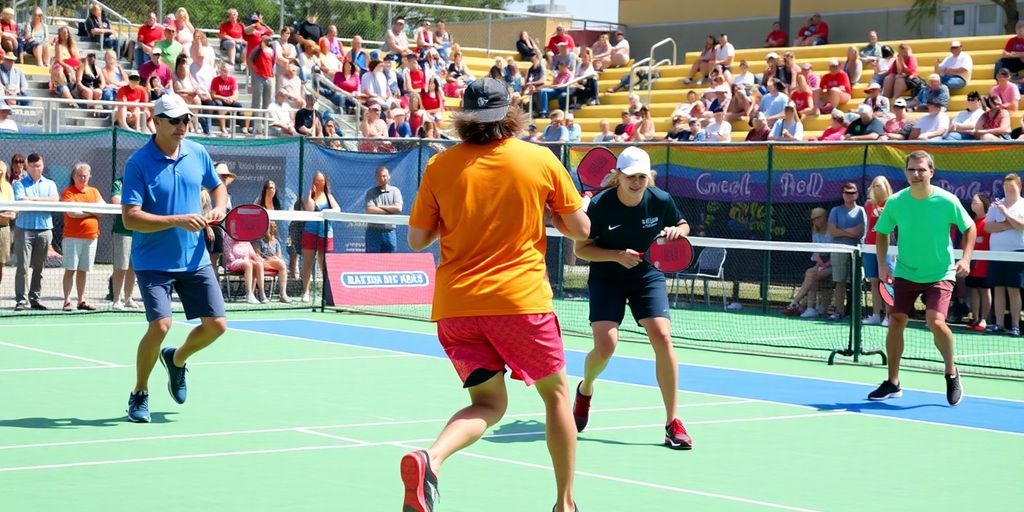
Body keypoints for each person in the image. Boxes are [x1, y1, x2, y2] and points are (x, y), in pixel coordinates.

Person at [403, 78, 589, 512]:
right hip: (519, 303)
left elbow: (416, 239)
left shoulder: (440, 167)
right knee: (557, 396)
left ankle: (431, 459)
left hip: (456, 308)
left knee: (488, 403)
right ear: (512, 112)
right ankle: (565, 503)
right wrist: (567, 210)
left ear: (464, 119)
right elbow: (581, 230)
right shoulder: (540, 160)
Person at [572, 145, 693, 451]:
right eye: (630, 176)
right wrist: (615, 256)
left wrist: (677, 231)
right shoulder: (600, 205)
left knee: (663, 337)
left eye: (641, 176)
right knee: (606, 346)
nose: (636, 182)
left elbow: (682, 223)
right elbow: (580, 249)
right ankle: (585, 390)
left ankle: (672, 422)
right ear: (618, 176)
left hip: (646, 274)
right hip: (607, 275)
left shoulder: (660, 200)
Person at [119, 94, 229, 423]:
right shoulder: (138, 163)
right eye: (175, 120)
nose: (183, 126)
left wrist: (219, 205)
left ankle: (177, 359)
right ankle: (140, 392)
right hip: (153, 262)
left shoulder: (198, 152)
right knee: (161, 325)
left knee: (217, 326)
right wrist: (178, 219)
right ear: (156, 122)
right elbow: (130, 218)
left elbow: (217, 186)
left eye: (186, 120)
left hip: (194, 259)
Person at [870, 150, 974, 406]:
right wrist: (883, 264)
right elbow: (882, 232)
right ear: (905, 172)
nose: (915, 174)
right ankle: (893, 383)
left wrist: (966, 259)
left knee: (935, 321)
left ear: (931, 172)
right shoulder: (895, 202)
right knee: (895, 322)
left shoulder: (946, 200)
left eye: (921, 169)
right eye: (911, 170)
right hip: (906, 271)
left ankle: (951, 372)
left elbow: (969, 227)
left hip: (940, 272)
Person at [12, 153, 58, 311]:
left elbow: (54, 200)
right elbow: (21, 201)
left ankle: (35, 299)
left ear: (43, 165)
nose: (36, 169)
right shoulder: (19, 184)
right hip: (24, 230)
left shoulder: (50, 184)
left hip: (45, 230)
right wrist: (29, 200)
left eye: (38, 166)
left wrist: (35, 200)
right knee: (23, 267)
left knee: (39, 267)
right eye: (32, 166)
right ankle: (21, 300)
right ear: (27, 167)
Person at [60, 162, 105, 312]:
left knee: (83, 270)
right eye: (80, 176)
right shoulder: (68, 192)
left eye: (86, 176)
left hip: (91, 237)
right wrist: (92, 211)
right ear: (74, 176)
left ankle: (81, 300)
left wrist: (86, 211)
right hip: (72, 237)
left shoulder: (94, 192)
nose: (83, 178)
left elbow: (102, 209)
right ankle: (67, 301)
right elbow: (72, 213)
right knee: (70, 269)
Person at [984, 173, 1024, 336]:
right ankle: (999, 324)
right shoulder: (995, 206)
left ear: (1019, 187)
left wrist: (1006, 214)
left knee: (1013, 290)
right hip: (996, 254)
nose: (1008, 190)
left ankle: (1015, 326)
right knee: (998, 289)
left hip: (1016, 254)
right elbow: (988, 227)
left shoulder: (1022, 205)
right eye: (1005, 188)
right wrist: (1010, 223)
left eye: (1012, 188)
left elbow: (1022, 226)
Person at [782, 207, 832, 317]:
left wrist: (825, 265)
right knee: (811, 273)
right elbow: (816, 253)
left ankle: (795, 302)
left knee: (811, 274)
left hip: (833, 266)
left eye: (818, 218)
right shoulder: (815, 234)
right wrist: (820, 263)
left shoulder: (832, 232)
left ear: (824, 218)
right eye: (813, 219)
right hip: (820, 266)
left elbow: (836, 255)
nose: (815, 221)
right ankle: (809, 308)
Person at [827, 183, 867, 320]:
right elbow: (832, 231)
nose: (850, 195)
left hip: (856, 250)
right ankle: (838, 311)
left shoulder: (861, 211)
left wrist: (842, 232)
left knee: (856, 281)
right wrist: (849, 232)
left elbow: (860, 232)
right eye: (846, 193)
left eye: (852, 193)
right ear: (842, 194)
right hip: (838, 249)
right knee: (839, 281)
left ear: (856, 194)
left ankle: (856, 312)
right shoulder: (835, 211)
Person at [300, 171, 338, 302]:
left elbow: (337, 209)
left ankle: (327, 295)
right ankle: (305, 292)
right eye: (316, 180)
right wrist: (312, 195)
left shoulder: (329, 196)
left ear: (325, 182)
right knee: (307, 263)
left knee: (324, 265)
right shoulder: (309, 196)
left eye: (321, 180)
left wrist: (327, 212)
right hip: (310, 232)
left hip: (325, 233)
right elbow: (309, 210)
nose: (319, 183)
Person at [863, 176, 895, 326]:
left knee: (886, 281)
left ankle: (889, 316)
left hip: (887, 248)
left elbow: (895, 225)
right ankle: (876, 314)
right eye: (874, 186)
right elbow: (868, 226)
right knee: (874, 281)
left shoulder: (892, 203)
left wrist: (885, 214)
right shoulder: (868, 205)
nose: (876, 188)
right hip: (869, 246)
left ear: (886, 187)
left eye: (880, 186)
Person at [110, 174, 138, 310]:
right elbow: (116, 201)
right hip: (122, 231)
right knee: (121, 267)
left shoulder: (141, 181)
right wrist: (135, 205)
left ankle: (128, 298)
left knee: (133, 267)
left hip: (139, 231)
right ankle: (116, 299)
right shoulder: (119, 183)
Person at [966, 192, 992, 332]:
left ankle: (984, 319)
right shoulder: (971, 222)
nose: (973, 203)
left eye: (976, 201)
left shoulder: (988, 221)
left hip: (985, 263)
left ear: (984, 204)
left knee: (984, 289)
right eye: (972, 201)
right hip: (972, 262)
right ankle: (975, 318)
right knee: (974, 290)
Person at [365, 166, 403, 253]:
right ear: (376, 178)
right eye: (381, 176)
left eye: (385, 176)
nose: (383, 178)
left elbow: (398, 208)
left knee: (389, 261)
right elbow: (370, 210)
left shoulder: (395, 191)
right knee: (371, 261)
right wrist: (390, 211)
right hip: (373, 232)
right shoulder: (371, 192)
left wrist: (380, 206)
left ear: (389, 176)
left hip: (389, 231)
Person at [0, 161, 13, 290]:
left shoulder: (8, 187)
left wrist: (5, 216)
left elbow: (13, 213)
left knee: (1, 264)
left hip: (3, 230)